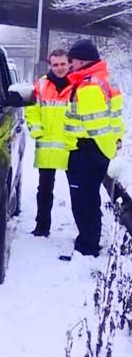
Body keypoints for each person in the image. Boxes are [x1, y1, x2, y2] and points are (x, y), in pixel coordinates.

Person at [64, 39, 125, 257]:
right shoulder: (104, 78)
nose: (70, 64)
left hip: (87, 149)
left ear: (81, 60)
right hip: (103, 148)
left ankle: (87, 246)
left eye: (72, 60)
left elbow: (93, 123)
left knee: (83, 200)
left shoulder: (88, 85)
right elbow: (113, 119)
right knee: (90, 197)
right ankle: (89, 239)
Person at [25, 49, 73, 237]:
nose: (59, 68)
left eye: (63, 64)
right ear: (50, 65)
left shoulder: (77, 85)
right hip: (47, 146)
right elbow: (32, 110)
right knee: (44, 191)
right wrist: (37, 131)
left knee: (79, 194)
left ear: (69, 64)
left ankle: (85, 233)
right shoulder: (42, 84)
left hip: (72, 146)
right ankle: (42, 227)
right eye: (55, 65)